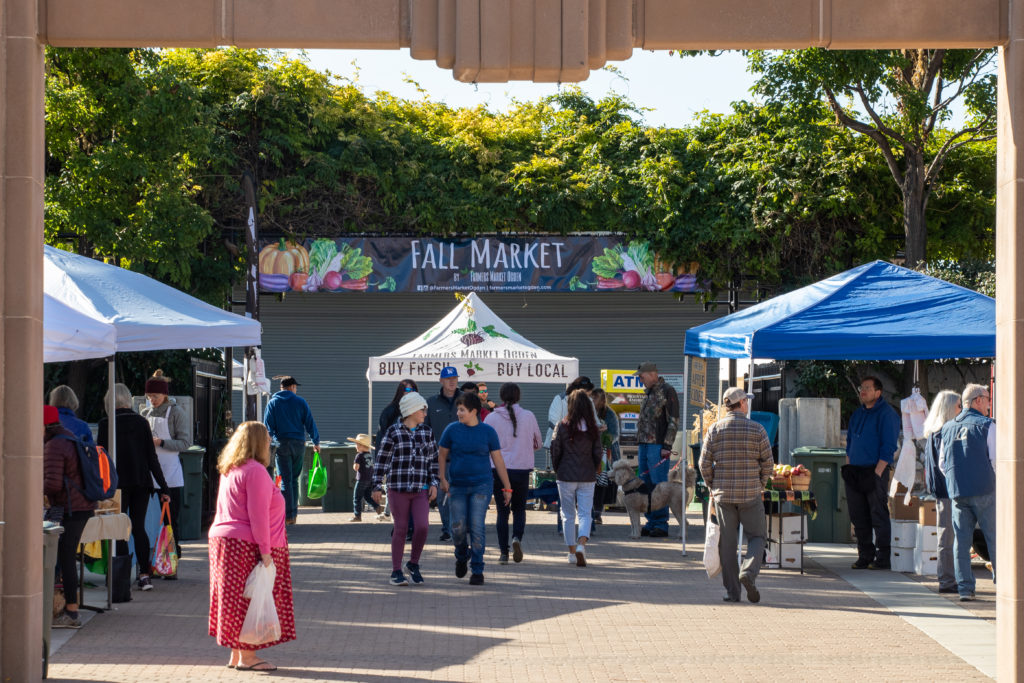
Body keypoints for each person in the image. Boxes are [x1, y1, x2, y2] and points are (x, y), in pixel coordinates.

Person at [208, 421, 295, 672]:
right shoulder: (256, 471)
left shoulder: (230, 469)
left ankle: (237, 654)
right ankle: (248, 656)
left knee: (235, 597)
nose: (270, 443)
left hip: (225, 540)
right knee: (250, 598)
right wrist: (266, 553)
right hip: (246, 543)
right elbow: (258, 516)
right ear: (259, 442)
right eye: (267, 439)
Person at [698, 387, 773, 603]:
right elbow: (768, 461)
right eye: (746, 401)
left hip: (724, 495)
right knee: (758, 536)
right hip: (750, 493)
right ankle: (748, 573)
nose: (747, 404)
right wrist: (761, 483)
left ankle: (732, 592)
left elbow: (704, 464)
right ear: (741, 404)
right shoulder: (757, 429)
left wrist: (712, 485)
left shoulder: (715, 429)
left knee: (727, 544)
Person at [97, 383, 171, 592]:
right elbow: (151, 458)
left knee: (120, 527)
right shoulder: (141, 423)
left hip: (117, 484)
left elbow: (100, 458)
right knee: (138, 527)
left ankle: (121, 574)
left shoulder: (106, 424)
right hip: (141, 481)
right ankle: (145, 574)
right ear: (128, 400)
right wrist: (163, 487)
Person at [438, 393, 512, 586]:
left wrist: (507, 487)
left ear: (474, 412)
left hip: (482, 485)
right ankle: (462, 555)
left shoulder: (488, 432)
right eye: (458, 409)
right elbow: (442, 454)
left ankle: (477, 569)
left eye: (462, 409)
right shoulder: (452, 430)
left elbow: (498, 460)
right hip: (458, 486)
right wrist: (442, 478)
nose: (458, 413)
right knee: (458, 528)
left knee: (477, 526)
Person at [371, 391, 440, 586]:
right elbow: (381, 461)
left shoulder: (427, 432)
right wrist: (376, 486)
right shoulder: (393, 432)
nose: (425, 413)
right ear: (410, 411)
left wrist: (434, 482)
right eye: (422, 409)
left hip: (420, 489)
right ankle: (396, 571)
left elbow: (433, 461)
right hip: (397, 489)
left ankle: (413, 563)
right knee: (400, 528)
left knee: (422, 526)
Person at [940, 383, 997, 602]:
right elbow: (995, 460)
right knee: (994, 538)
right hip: (985, 490)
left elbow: (943, 463)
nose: (989, 403)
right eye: (987, 398)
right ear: (977, 400)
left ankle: (965, 589)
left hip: (958, 492)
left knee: (961, 542)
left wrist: (957, 480)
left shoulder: (948, 427)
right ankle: (1002, 584)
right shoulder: (987, 425)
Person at [44, 404, 97, 628]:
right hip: (72, 505)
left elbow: (53, 484)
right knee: (56, 553)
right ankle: (56, 604)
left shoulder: (55, 445)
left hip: (69, 507)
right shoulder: (68, 437)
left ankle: (71, 612)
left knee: (64, 556)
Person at [842, 375, 899, 570]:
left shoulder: (887, 414)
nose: (862, 391)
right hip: (855, 471)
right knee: (858, 515)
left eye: (867, 388)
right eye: (861, 387)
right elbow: (849, 442)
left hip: (874, 470)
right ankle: (865, 554)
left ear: (878, 392)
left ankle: (883, 557)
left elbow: (889, 446)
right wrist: (848, 465)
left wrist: (877, 472)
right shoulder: (858, 414)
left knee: (878, 514)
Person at [140, 369, 192, 577]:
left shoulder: (176, 413)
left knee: (171, 523)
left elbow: (186, 443)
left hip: (171, 476)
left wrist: (161, 442)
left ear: (165, 395)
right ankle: (150, 564)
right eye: (149, 397)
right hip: (148, 475)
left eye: (155, 396)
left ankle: (171, 565)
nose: (152, 400)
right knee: (148, 522)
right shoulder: (144, 414)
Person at [484, 383, 542, 564]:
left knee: (502, 512)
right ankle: (516, 537)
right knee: (519, 509)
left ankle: (503, 552)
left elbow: (483, 444)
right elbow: (538, 443)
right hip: (521, 470)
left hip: (498, 471)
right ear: (519, 396)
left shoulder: (492, 418)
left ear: (501, 397)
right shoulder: (529, 416)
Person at [550, 389, 603, 567]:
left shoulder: (562, 425)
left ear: (570, 405)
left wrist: (558, 468)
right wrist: (597, 468)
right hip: (587, 475)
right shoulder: (593, 429)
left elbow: (555, 450)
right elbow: (598, 452)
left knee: (567, 514)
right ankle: (581, 545)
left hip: (566, 475)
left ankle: (571, 552)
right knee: (585, 513)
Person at [263, 376, 320, 526]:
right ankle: (293, 514)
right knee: (294, 479)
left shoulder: (273, 403)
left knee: (284, 481)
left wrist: (266, 444)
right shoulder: (300, 402)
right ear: (292, 387)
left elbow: (267, 426)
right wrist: (316, 441)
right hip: (299, 444)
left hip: (281, 444)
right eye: (295, 387)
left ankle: (287, 515)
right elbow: (309, 422)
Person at [922, 389, 962, 594]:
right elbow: (946, 465)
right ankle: (947, 580)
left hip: (941, 491)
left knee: (946, 537)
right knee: (947, 538)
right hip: (947, 491)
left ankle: (948, 579)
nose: (961, 410)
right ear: (949, 409)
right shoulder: (944, 432)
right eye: (958, 406)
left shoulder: (933, 433)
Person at [634, 362, 679, 537]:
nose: (640, 379)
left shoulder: (667, 391)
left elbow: (673, 421)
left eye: (641, 376)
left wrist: (667, 446)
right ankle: (651, 521)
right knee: (645, 484)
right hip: (644, 445)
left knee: (659, 485)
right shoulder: (649, 393)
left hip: (658, 445)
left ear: (653, 374)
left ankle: (661, 524)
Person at [427, 366, 462, 541]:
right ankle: (447, 528)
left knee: (460, 495)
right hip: (439, 459)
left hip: (462, 458)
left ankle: (458, 527)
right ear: (441, 381)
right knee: (442, 495)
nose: (452, 381)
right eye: (448, 378)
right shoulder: (431, 403)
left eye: (454, 378)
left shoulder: (466, 400)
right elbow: (425, 431)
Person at [376, 379, 418, 524]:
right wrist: (380, 468)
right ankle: (402, 527)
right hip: (396, 465)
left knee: (414, 500)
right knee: (400, 502)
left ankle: (409, 528)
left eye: (413, 390)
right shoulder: (390, 412)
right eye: (407, 390)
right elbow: (381, 441)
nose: (410, 393)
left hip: (416, 465)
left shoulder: (421, 412)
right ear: (400, 392)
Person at [589, 388, 620, 525]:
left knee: (601, 482)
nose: (593, 401)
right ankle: (589, 511)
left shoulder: (610, 414)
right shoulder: (588, 412)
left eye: (596, 399)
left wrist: (603, 439)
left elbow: (615, 434)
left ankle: (597, 512)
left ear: (602, 401)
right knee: (589, 482)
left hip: (605, 454)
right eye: (592, 398)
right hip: (589, 452)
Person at [544, 376, 595, 451]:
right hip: (561, 445)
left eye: (588, 395)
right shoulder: (560, 399)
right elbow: (554, 421)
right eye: (586, 395)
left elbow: (594, 421)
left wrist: (599, 426)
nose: (587, 397)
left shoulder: (589, 402)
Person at [347, 434, 383, 521]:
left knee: (357, 498)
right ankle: (377, 507)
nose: (356, 446)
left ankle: (357, 516)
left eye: (357, 444)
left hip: (361, 479)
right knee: (367, 497)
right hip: (370, 480)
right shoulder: (370, 455)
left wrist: (354, 466)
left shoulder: (359, 456)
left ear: (361, 446)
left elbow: (356, 467)